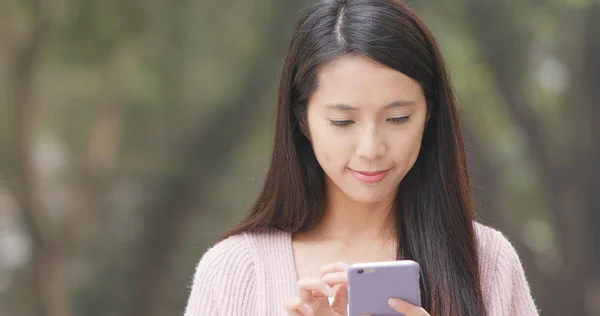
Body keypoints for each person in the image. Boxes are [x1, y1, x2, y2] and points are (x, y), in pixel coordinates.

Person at [184, 0, 539, 315]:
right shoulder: (236, 270)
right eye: (343, 121)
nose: (370, 149)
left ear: (430, 114)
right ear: (302, 120)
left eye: (397, 119)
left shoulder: (488, 264)